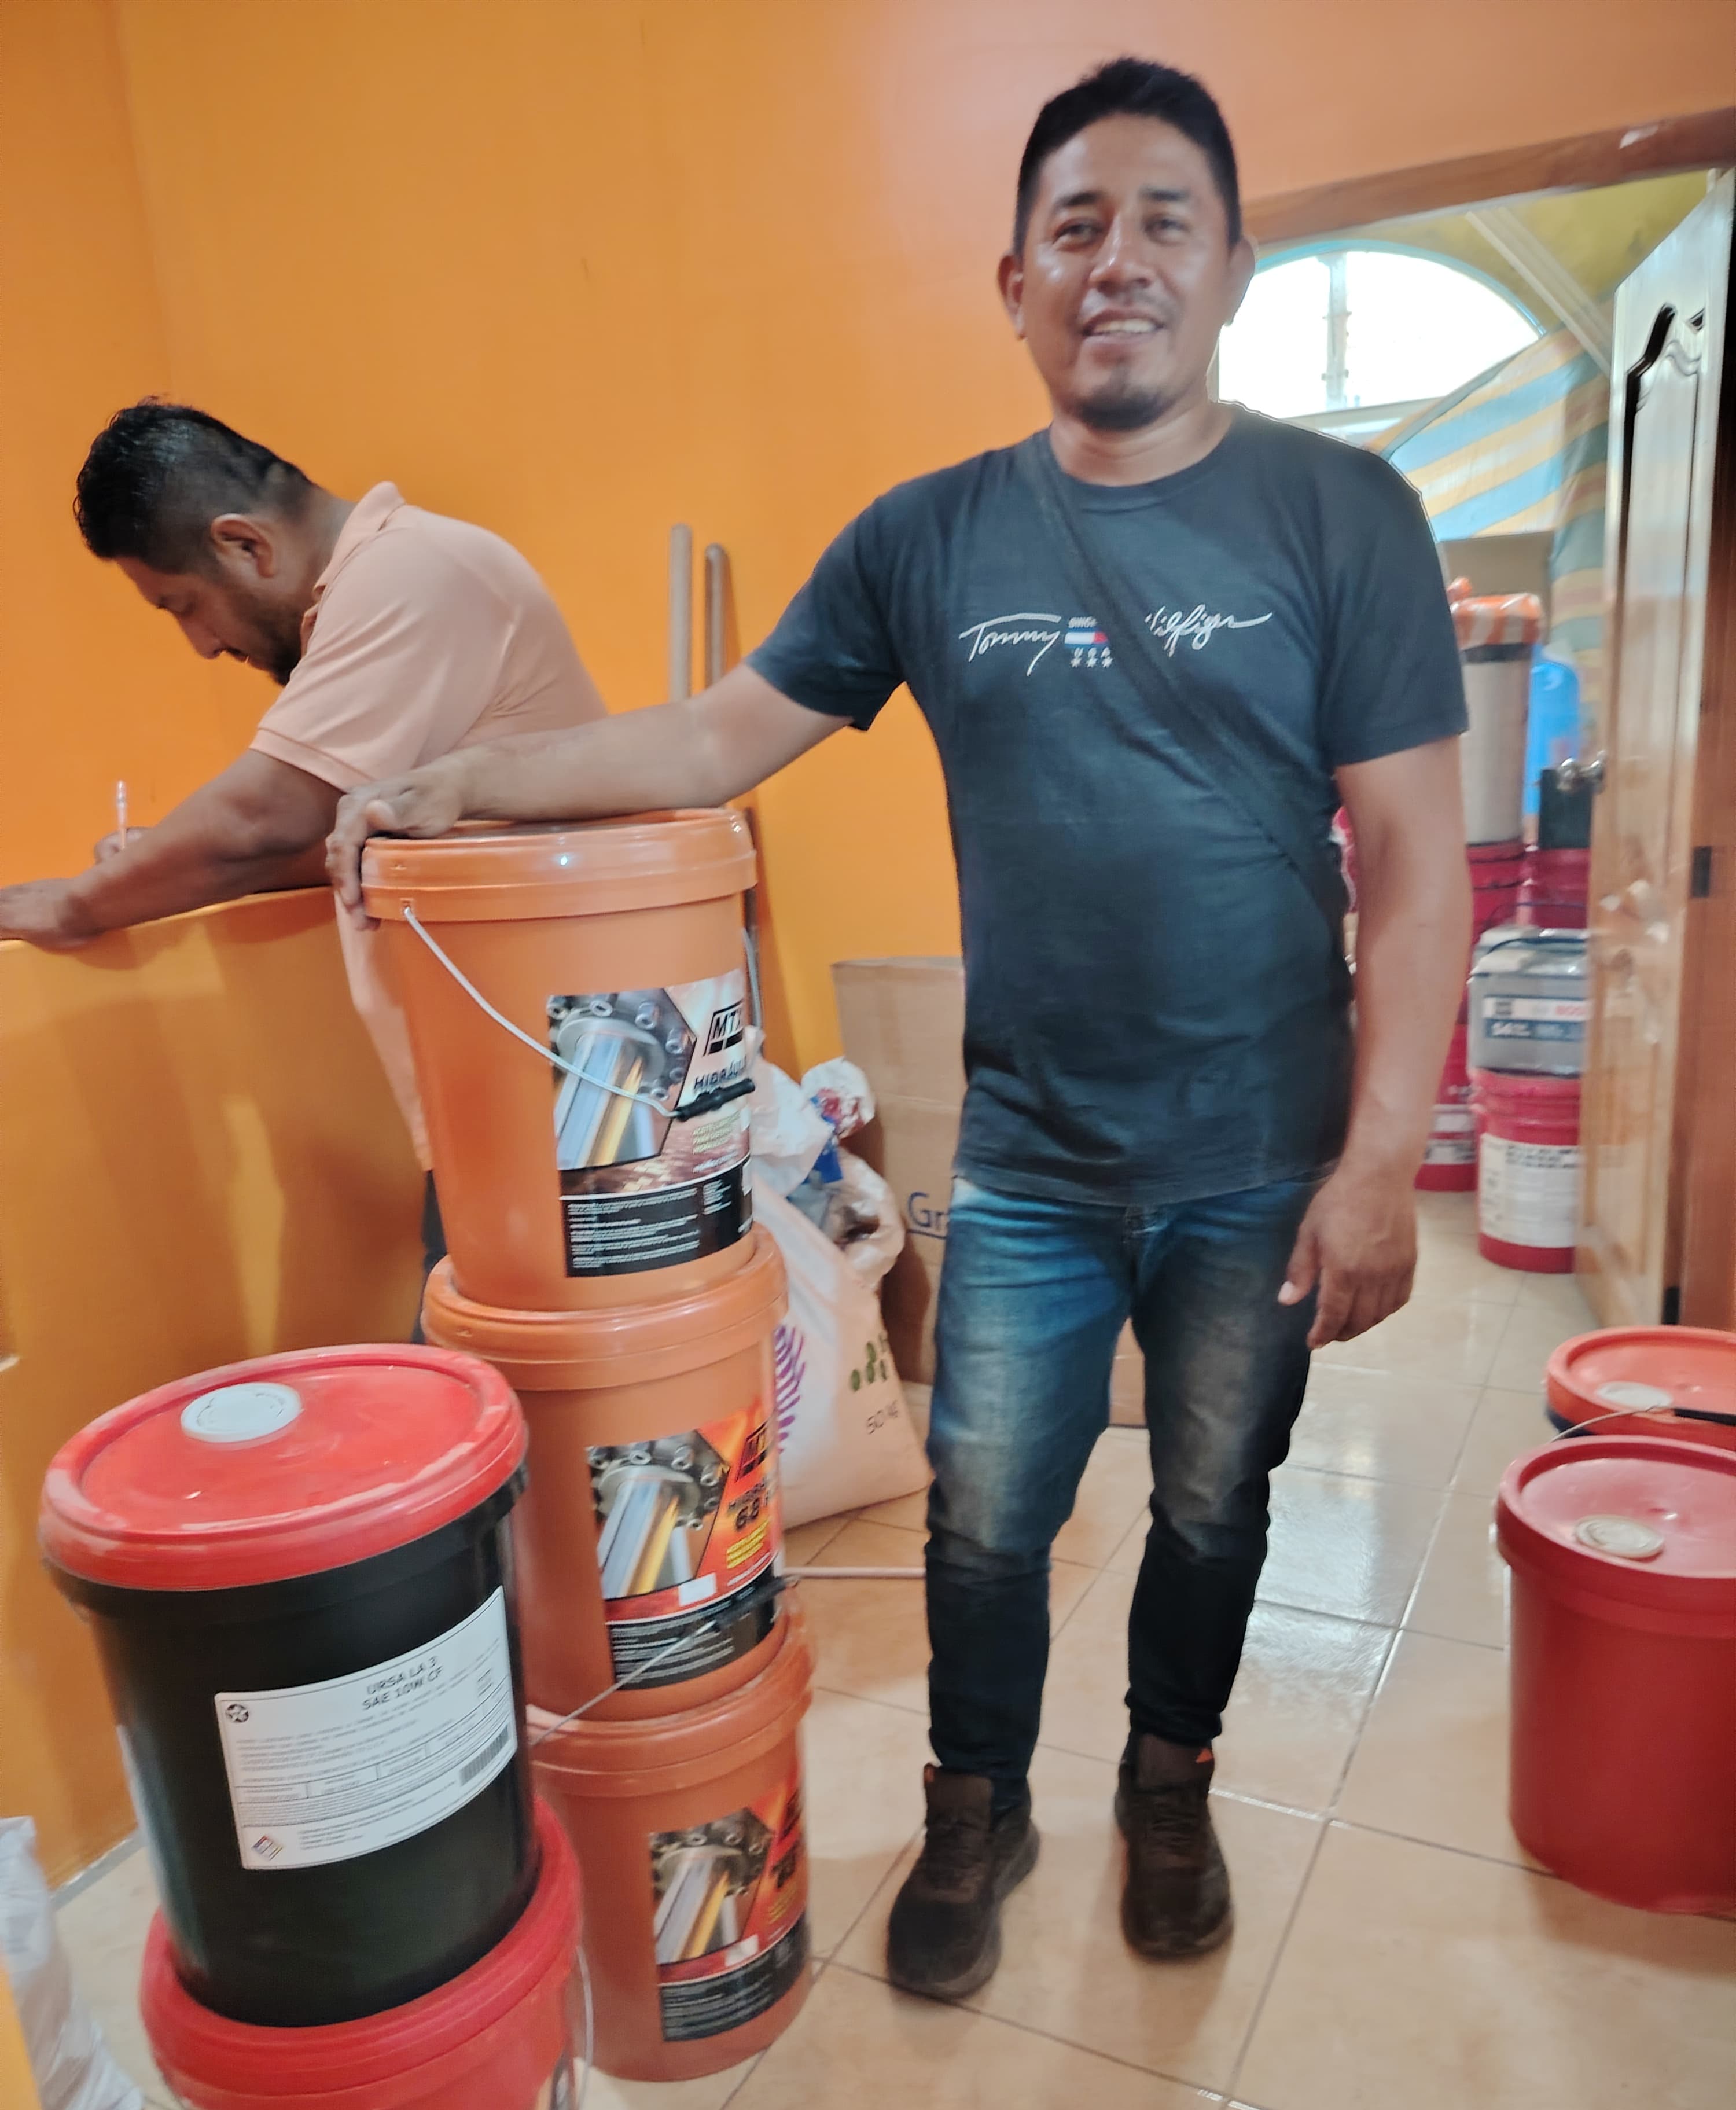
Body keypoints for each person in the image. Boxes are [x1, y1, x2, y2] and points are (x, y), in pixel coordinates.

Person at [328, 58, 1471, 1999]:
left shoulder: (1342, 513)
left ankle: (1171, 1786)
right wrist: (465, 778)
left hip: (1262, 1157)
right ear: (1014, 283)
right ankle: (976, 1806)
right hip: (1028, 1153)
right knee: (988, 1520)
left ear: (1234, 267)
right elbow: (712, 738)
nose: (1119, 262)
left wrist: (1378, 1168)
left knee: (1213, 1506)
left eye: (1166, 223)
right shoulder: (927, 539)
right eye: (1076, 228)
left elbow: (1421, 864)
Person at [0, 400, 605, 1281]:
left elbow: (263, 820)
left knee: (531, 1348)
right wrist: (163, 863)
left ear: (246, 545)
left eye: (184, 605)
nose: (201, 645)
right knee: (485, 1338)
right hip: (511, 1081)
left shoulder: (409, 575)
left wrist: (73, 906)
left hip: (563, 1079)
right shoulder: (378, 587)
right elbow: (347, 835)